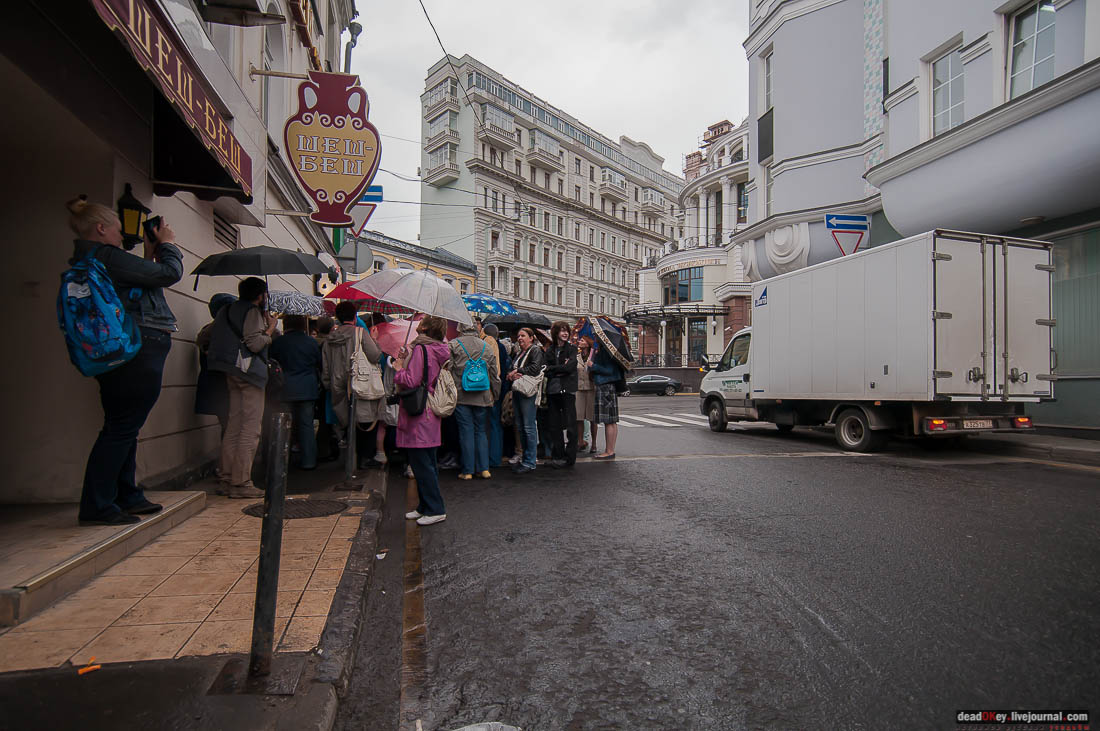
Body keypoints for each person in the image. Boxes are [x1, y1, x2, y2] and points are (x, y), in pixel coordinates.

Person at [68, 196, 183, 525]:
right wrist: (169, 245)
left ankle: (126, 493)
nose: (121, 238)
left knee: (124, 424)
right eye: (118, 231)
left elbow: (138, 284)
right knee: (121, 427)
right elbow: (169, 274)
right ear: (101, 229)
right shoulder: (106, 255)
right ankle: (98, 504)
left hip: (117, 350)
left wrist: (148, 256)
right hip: (137, 347)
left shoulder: (90, 259)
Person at [207, 277, 277, 498]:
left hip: (230, 370)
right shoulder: (252, 312)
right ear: (260, 295)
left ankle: (227, 477)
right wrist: (270, 329)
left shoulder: (226, 310)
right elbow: (255, 343)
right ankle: (242, 482)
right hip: (249, 372)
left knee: (234, 424)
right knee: (250, 427)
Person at [393, 316, 451, 526]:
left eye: (423, 321)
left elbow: (411, 380)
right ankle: (425, 506)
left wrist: (399, 367)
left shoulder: (422, 349)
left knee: (421, 463)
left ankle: (435, 508)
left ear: (426, 327)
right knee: (426, 462)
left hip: (418, 412)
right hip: (430, 411)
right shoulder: (435, 349)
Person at [321, 302, 385, 466]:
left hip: (338, 385)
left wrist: (328, 384)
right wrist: (375, 340)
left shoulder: (329, 339)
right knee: (365, 422)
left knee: (347, 422)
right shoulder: (361, 332)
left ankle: (351, 458)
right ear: (354, 316)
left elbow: (326, 366)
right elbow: (375, 356)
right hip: (359, 382)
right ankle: (364, 459)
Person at [269, 314, 322, 471]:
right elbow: (319, 364)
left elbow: (271, 362)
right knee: (306, 426)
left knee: (284, 425)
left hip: (284, 388)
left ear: (286, 325)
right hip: (307, 388)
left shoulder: (278, 342)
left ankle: (282, 462)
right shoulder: (311, 342)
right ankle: (309, 461)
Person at [449, 321, 501, 480]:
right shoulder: (486, 345)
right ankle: (484, 469)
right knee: (480, 432)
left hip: (462, 394)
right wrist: (495, 394)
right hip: (483, 395)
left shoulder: (454, 344)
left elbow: (448, 369)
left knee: (466, 431)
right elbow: (494, 373)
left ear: (460, 328)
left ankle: (467, 470)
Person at [195, 293, 236, 438]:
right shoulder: (216, 331)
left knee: (228, 425)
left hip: (218, 385)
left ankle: (228, 458)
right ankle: (229, 459)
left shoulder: (208, 330)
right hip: (223, 386)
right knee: (230, 426)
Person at [506, 328, 545, 474]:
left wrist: (518, 372)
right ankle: (525, 458)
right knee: (520, 425)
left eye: (523, 335)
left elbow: (535, 368)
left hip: (527, 392)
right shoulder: (519, 353)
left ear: (531, 338)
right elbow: (511, 368)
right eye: (518, 336)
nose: (520, 338)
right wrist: (511, 374)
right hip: (518, 390)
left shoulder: (535, 350)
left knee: (528, 426)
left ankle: (530, 461)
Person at [544, 321, 578, 468]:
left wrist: (555, 369)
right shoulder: (550, 350)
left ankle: (570, 458)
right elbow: (545, 368)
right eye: (562, 331)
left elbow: (570, 367)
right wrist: (559, 368)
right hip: (552, 391)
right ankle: (558, 455)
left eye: (567, 331)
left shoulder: (571, 349)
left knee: (571, 426)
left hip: (567, 390)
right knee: (554, 426)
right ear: (556, 332)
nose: (565, 333)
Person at [588, 338, 628, 460]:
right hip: (609, 387)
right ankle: (610, 450)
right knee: (611, 420)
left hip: (605, 386)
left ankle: (609, 451)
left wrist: (593, 365)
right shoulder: (609, 350)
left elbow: (609, 370)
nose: (594, 337)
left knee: (609, 421)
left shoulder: (605, 351)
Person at [482, 323, 511, 467]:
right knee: (496, 424)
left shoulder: (490, 347)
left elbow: (495, 372)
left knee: (492, 424)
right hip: (500, 389)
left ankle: (493, 457)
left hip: (493, 390)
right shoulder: (502, 348)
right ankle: (496, 456)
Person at [575, 337, 597, 455]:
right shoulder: (576, 356)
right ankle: (580, 442)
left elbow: (597, 370)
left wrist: (592, 365)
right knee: (579, 418)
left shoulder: (594, 356)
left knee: (592, 418)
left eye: (582, 340)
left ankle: (593, 444)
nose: (579, 342)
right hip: (579, 389)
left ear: (588, 344)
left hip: (592, 389)